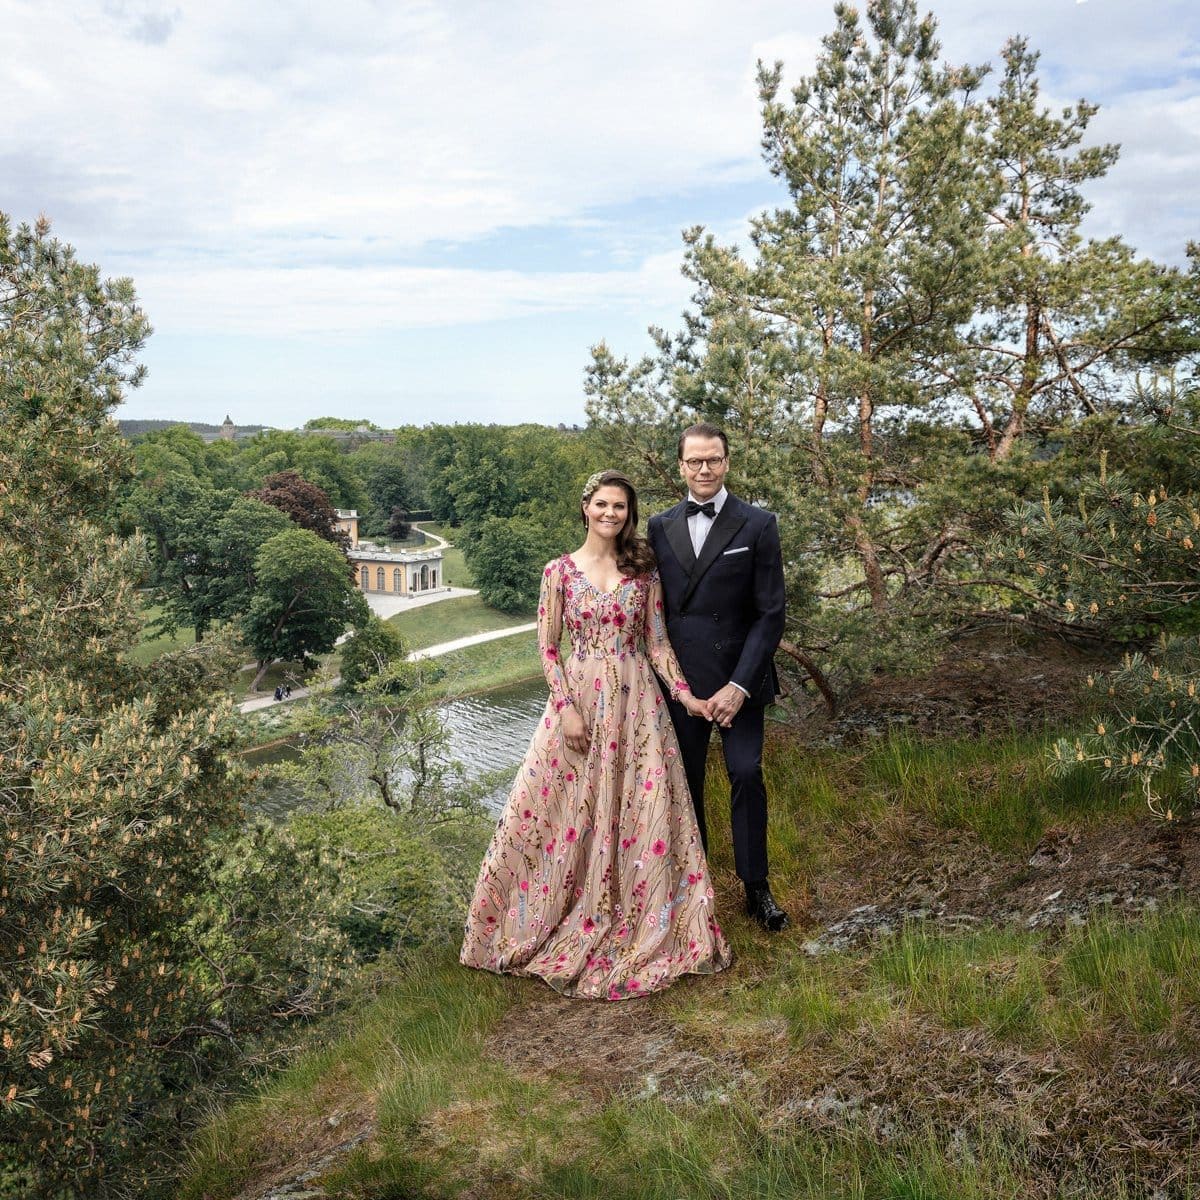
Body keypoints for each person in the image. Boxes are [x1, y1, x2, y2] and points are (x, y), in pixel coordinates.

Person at [460, 470, 732, 999]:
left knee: (641, 807)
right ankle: (537, 919)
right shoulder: (558, 571)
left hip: (637, 706)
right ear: (586, 507)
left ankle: (640, 915)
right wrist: (565, 709)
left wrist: (686, 696)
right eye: (603, 505)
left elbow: (656, 644)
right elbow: (547, 648)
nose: (611, 515)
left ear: (629, 515)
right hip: (580, 702)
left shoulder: (642, 570)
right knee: (563, 813)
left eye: (621, 508)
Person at [646, 423, 789, 932]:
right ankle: (693, 889)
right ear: (681, 466)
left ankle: (757, 889)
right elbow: (653, 608)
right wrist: (677, 687)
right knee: (684, 785)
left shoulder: (757, 523)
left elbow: (770, 614)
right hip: (681, 684)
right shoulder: (660, 527)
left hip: (739, 682)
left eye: (713, 460)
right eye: (694, 462)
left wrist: (740, 686)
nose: (704, 469)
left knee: (747, 774)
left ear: (726, 463)